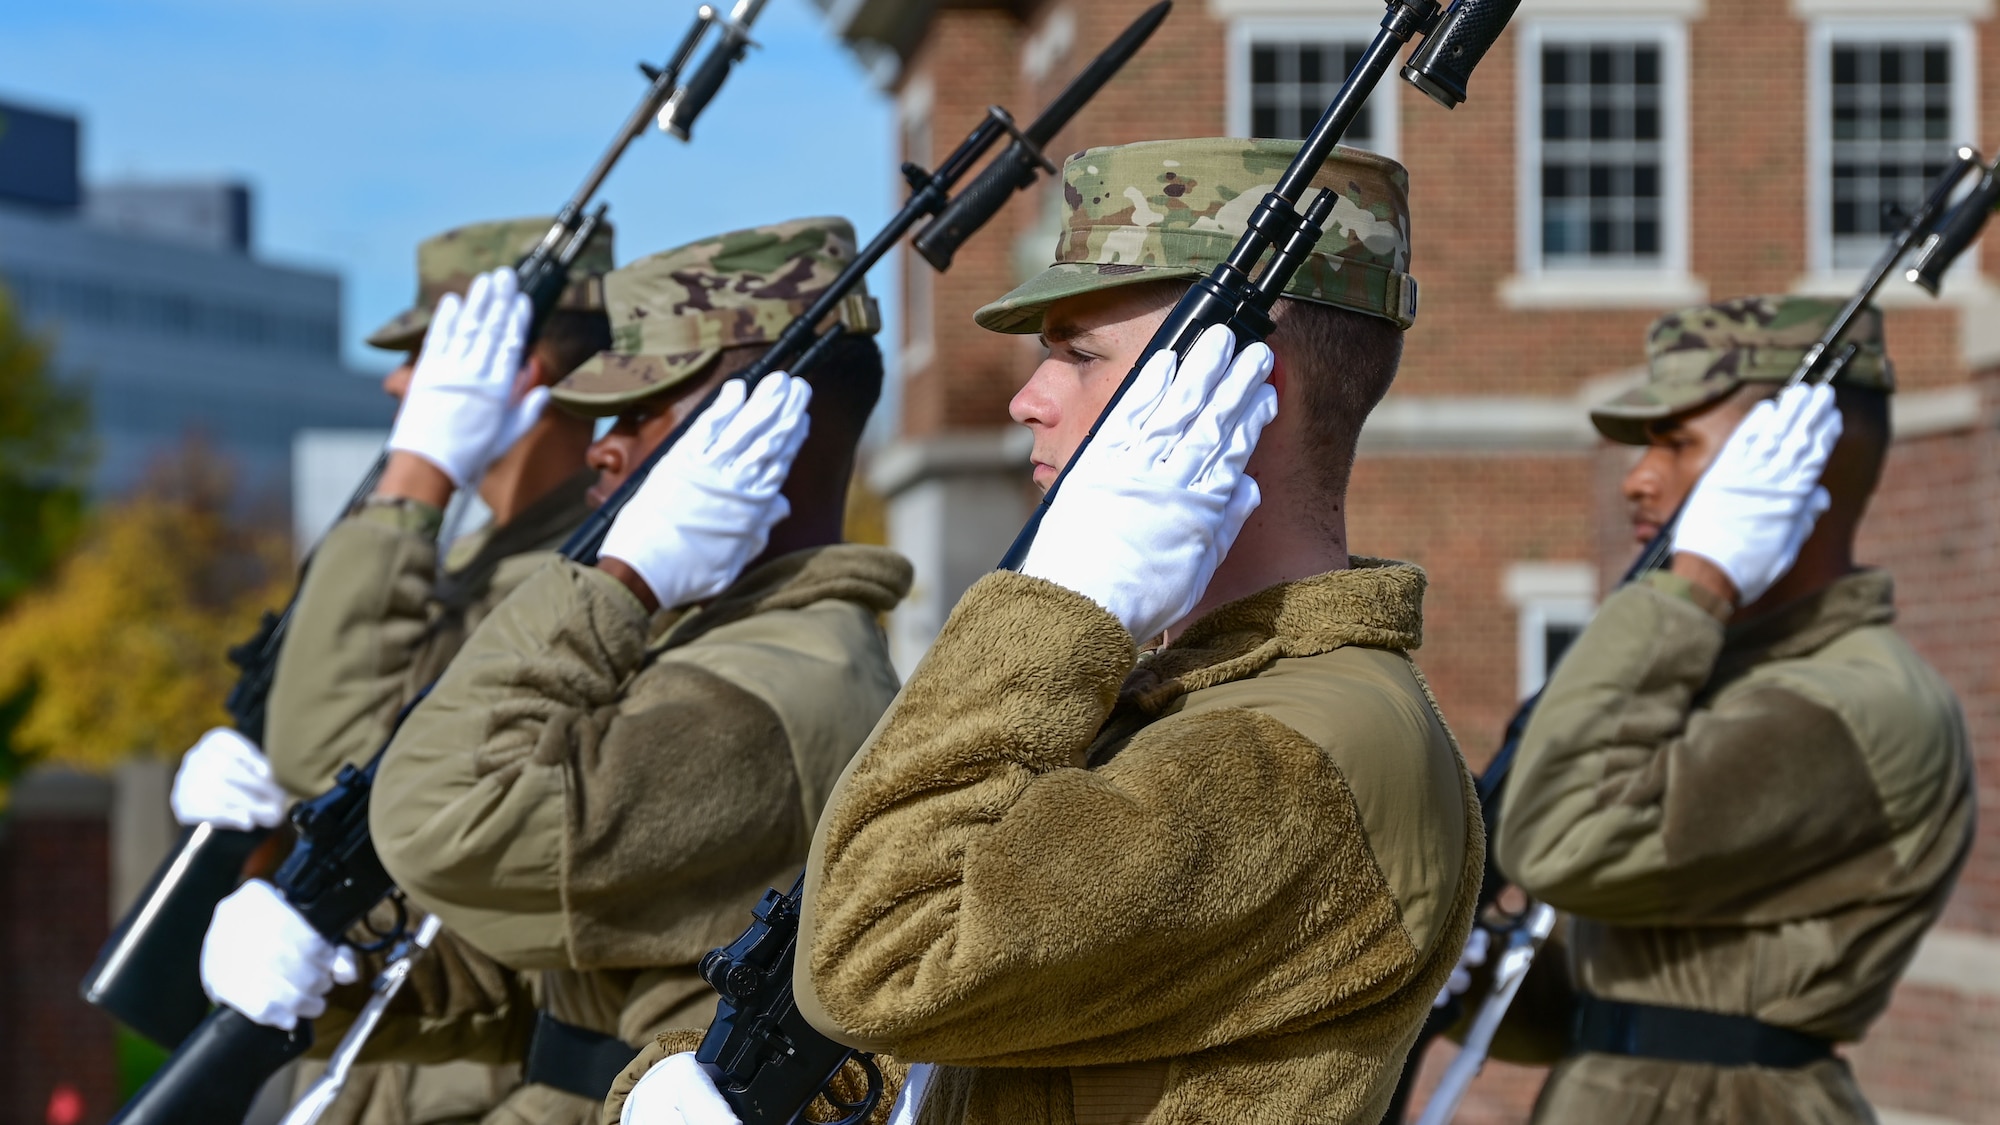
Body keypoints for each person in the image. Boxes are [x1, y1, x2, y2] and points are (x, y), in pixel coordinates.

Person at [611, 138, 1483, 1125]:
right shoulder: (1181, 698)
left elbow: (881, 963)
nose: (1028, 398)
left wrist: (1058, 599)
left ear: (1240, 391)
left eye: (1077, 355)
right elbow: (961, 1056)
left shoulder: (1296, 748)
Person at [201, 216, 911, 1125]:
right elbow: (554, 981)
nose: (602, 444)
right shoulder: (716, 644)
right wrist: (336, 973)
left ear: (776, 427)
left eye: (643, 409)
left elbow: (436, 822)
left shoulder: (762, 692)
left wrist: (626, 575)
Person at [171, 216, 613, 1125]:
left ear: (520, 372)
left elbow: (325, 748)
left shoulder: (571, 586)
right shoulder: (474, 567)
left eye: (429, 353)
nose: (400, 381)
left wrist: (419, 469)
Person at [1492, 296, 1975, 1124]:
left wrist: (1697, 581)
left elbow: (1560, 840)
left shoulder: (1847, 704)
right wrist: (1476, 972)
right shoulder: (1721, 671)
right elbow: (1621, 1004)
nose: (1638, 478)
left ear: (1797, 464)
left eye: (1678, 443)